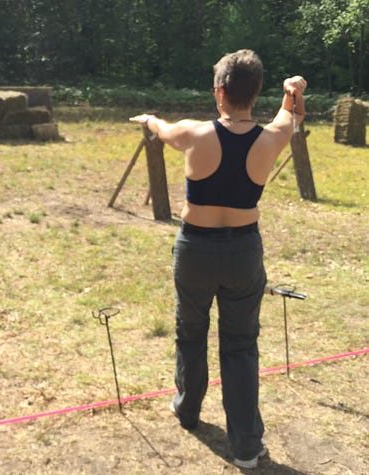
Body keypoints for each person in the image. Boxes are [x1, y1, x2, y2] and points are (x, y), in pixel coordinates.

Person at [129, 49, 307, 469]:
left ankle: (187, 409)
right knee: (241, 345)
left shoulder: (194, 133)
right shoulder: (272, 138)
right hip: (244, 251)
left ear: (220, 92)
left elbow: (165, 130)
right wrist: (293, 91)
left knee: (190, 332)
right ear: (255, 92)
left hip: (196, 249)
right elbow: (292, 116)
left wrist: (148, 120)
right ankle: (246, 446)